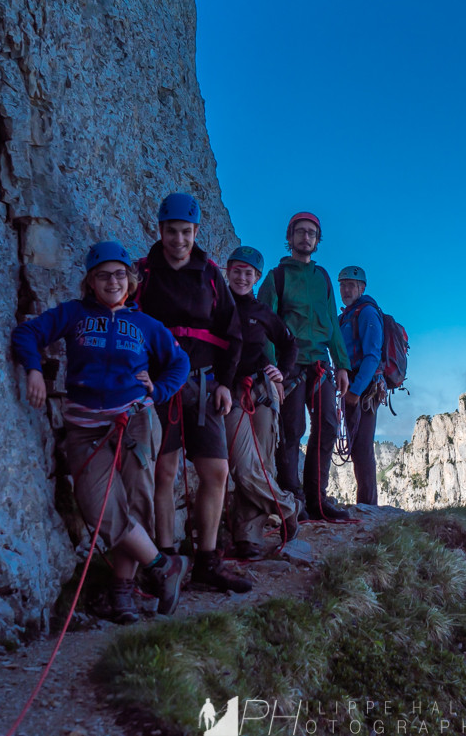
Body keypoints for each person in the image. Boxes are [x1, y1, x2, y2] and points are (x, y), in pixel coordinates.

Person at [11, 240, 190, 621]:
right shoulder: (74, 314)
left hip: (134, 420)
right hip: (85, 428)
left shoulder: (145, 325)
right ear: (90, 281)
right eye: (104, 275)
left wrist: (158, 390)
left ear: (132, 280)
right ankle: (163, 566)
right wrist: (32, 370)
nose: (113, 281)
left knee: (135, 503)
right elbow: (27, 334)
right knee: (98, 507)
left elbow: (179, 362)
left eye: (120, 274)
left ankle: (123, 592)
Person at [134, 193, 251, 593]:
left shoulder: (211, 276)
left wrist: (226, 384)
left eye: (186, 232)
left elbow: (231, 334)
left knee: (215, 471)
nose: (179, 240)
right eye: (172, 231)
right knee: (163, 472)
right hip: (161, 385)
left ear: (196, 232)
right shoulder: (144, 273)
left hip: (204, 384)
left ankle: (206, 560)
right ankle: (165, 561)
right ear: (160, 231)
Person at [257, 212, 352, 521]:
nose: (306, 237)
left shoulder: (323, 278)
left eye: (311, 233)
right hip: (291, 365)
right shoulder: (277, 277)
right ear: (290, 237)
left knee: (326, 428)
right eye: (300, 232)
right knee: (291, 431)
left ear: (317, 240)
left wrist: (342, 365)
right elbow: (264, 324)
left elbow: (333, 325)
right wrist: (273, 370)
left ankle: (317, 500)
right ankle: (293, 501)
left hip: (320, 363)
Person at [223, 245, 301, 558]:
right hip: (231, 394)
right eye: (237, 271)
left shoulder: (262, 313)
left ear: (256, 277)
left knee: (263, 463)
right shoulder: (217, 306)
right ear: (228, 272)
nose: (242, 277)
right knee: (243, 467)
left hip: (261, 391)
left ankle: (248, 536)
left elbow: (289, 343)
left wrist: (280, 372)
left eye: (248, 273)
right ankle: (287, 507)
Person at [337, 265, 384, 506]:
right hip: (352, 385)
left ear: (362, 288)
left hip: (364, 388)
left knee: (362, 445)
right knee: (357, 445)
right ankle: (365, 502)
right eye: (343, 285)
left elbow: (372, 355)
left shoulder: (366, 313)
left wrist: (355, 391)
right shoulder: (346, 315)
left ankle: (368, 505)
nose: (345, 289)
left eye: (351, 285)